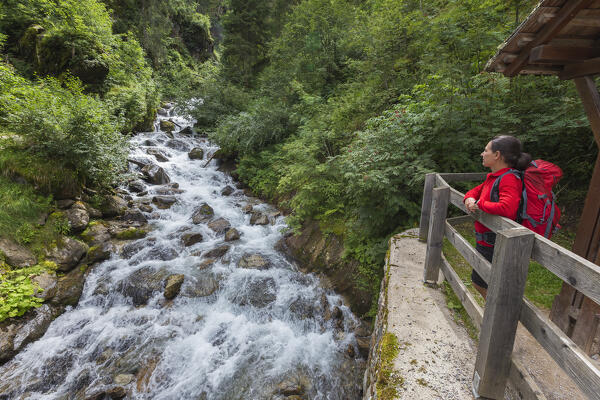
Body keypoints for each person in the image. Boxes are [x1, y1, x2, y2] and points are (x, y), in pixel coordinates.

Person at [463, 135, 532, 298]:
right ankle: (496, 318)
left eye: (486, 150)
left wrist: (479, 205)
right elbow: (474, 192)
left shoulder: (508, 178)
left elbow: (507, 208)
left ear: (497, 155)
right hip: (486, 239)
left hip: (494, 241)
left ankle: (498, 319)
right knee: (481, 282)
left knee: (484, 283)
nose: (482, 153)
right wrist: (470, 198)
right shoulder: (495, 177)